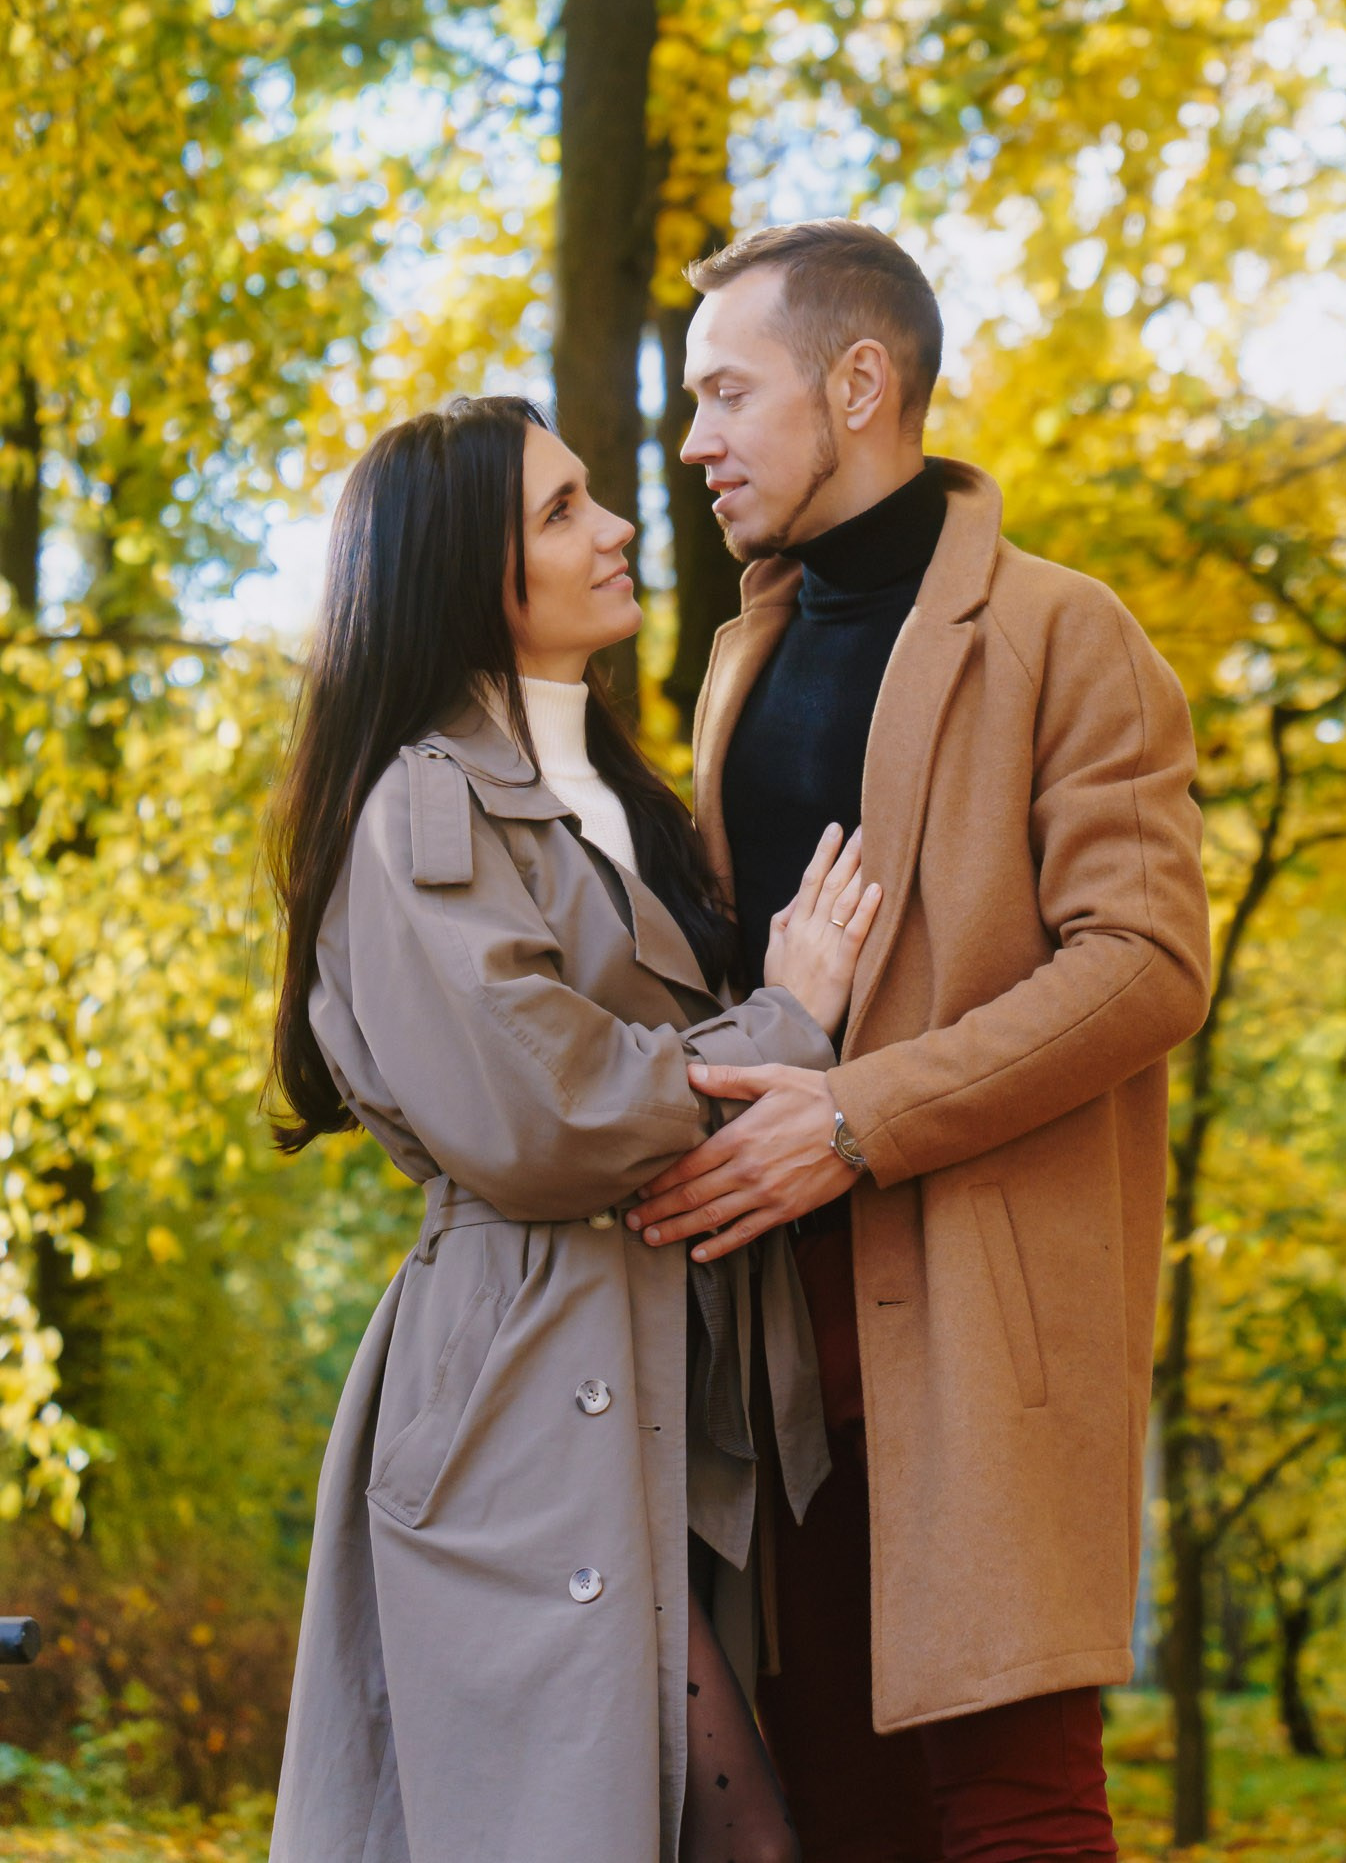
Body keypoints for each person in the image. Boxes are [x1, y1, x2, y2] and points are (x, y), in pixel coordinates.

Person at [624, 221, 1212, 1863]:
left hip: (982, 1317)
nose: (695, 443)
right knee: (837, 1814)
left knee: (1015, 1811)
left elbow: (1150, 961)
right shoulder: (743, 654)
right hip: (772, 1351)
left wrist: (857, 1116)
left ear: (861, 381)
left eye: (727, 394)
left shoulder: (1063, 632)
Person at [266, 394, 884, 1863]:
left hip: (653, 1368)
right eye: (558, 513)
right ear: (462, 576)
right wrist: (785, 1023)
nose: (614, 527)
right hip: (524, 1398)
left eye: (591, 497)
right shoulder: (421, 805)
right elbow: (541, 1111)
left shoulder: (616, 799)